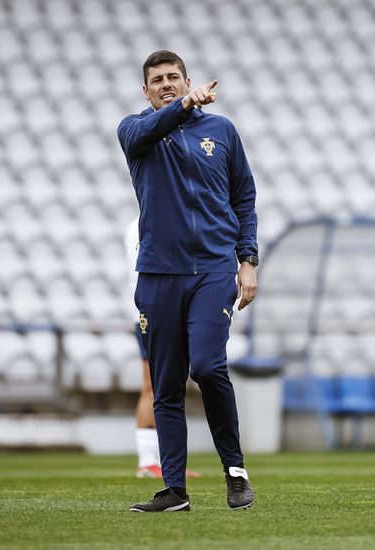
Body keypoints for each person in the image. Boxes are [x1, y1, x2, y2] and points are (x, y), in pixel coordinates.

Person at [118, 50, 259, 512]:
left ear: (187, 79)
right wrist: (182, 107)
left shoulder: (222, 130)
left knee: (208, 366)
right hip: (158, 274)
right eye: (157, 79)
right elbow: (144, 131)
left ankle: (235, 470)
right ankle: (174, 489)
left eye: (173, 77)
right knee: (166, 384)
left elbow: (243, 196)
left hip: (213, 270)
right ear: (145, 91)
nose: (166, 83)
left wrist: (248, 259)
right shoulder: (135, 130)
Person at [125, 218, 203, 481]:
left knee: (166, 385)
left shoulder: (149, 221)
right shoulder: (143, 224)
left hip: (160, 309)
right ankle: (148, 460)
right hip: (152, 312)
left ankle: (164, 461)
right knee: (153, 385)